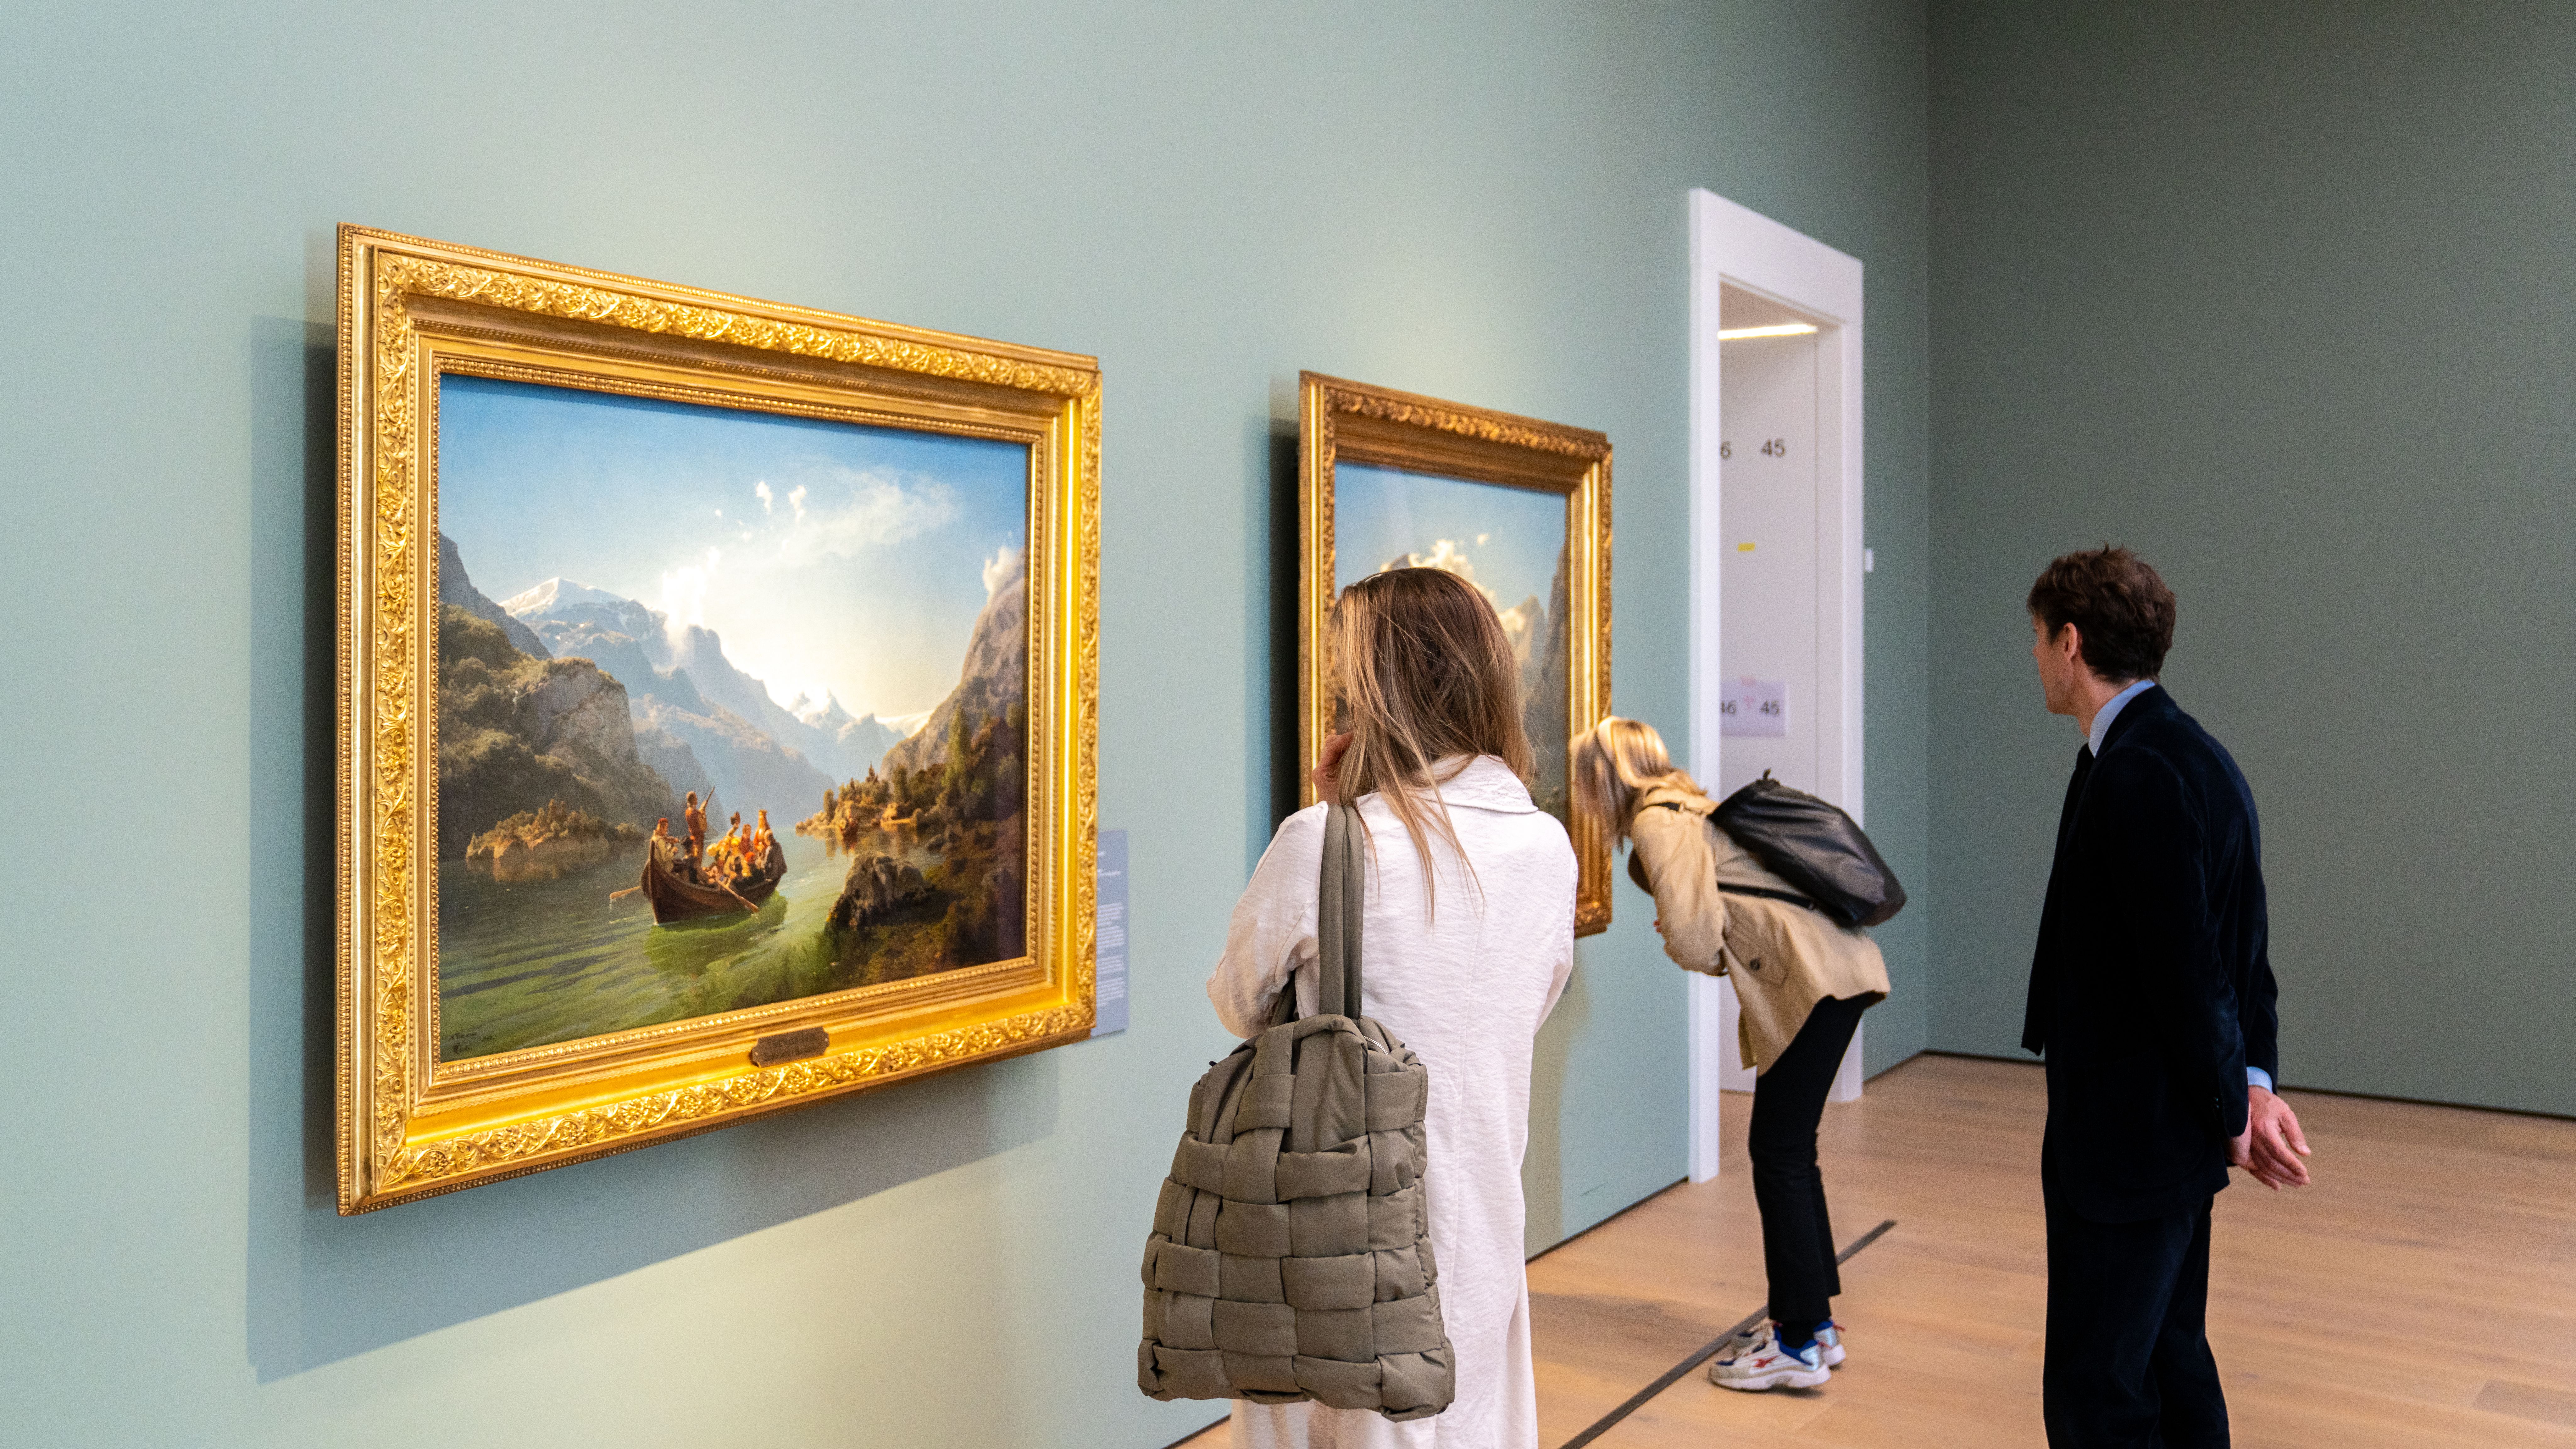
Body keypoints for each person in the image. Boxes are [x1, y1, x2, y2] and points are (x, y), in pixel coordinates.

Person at [1209, 567, 1576, 1448]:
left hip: (1340, 1222)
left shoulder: (1323, 842)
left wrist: (1334, 814)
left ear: (1379, 694)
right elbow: (1526, 1006)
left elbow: (1238, 1002)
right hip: (1482, 1210)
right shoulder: (1546, 846)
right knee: (1467, 1414)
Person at [2021, 546, 2312, 1447]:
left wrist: (2235, 1105)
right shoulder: (2193, 755)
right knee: (2168, 1357)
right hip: (2166, 1133)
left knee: (2101, 1386)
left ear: (2071, 642)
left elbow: (2191, 971)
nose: (2034, 656)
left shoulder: (2137, 770)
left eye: (2037, 637)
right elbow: (2244, 953)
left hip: (2129, 1142)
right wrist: (2249, 1086)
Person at [1569, 716, 1890, 1392]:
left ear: (1604, 775)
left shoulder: (1656, 820)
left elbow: (1692, 937)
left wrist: (1686, 934)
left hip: (1814, 982)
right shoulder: (1691, 804)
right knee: (1790, 1150)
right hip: (1840, 969)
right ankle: (1815, 1327)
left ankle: (1796, 1344)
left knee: (1778, 1153)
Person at [683, 792, 708, 867]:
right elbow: (704, 828)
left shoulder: (688, 811)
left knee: (693, 862)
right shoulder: (696, 813)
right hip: (699, 840)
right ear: (693, 800)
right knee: (698, 863)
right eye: (696, 798)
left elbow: (695, 817)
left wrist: (702, 808)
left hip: (692, 840)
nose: (697, 799)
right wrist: (704, 815)